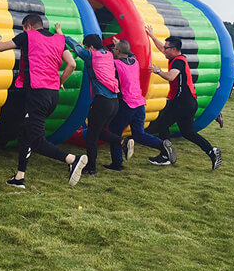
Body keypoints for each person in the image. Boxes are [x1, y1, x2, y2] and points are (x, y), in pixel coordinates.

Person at [0, 14, 87, 188]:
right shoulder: (59, 39)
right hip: (52, 96)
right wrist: (59, 83)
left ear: (28, 26)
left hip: (37, 94)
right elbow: (71, 64)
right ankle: (19, 177)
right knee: (26, 133)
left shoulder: (27, 36)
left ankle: (72, 159)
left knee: (36, 140)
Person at [55, 27, 134, 175]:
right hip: (114, 102)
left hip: (102, 102)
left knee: (91, 135)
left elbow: (75, 46)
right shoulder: (109, 55)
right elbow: (81, 49)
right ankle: (122, 142)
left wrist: (60, 34)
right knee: (100, 132)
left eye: (87, 47)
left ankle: (91, 167)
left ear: (90, 47)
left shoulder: (92, 56)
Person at [146, 26, 222, 169]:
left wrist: (158, 71)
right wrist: (152, 36)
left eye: (167, 48)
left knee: (162, 124)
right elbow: (162, 48)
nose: (164, 50)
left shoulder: (178, 61)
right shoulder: (177, 57)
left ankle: (165, 156)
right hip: (189, 102)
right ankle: (212, 151)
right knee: (187, 132)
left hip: (182, 102)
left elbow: (171, 76)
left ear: (174, 49)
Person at [107, 37, 176, 169]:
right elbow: (129, 53)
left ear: (119, 52)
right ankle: (162, 145)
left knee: (114, 132)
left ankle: (117, 163)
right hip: (139, 103)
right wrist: (119, 45)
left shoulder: (117, 65)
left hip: (127, 104)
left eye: (114, 49)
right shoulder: (134, 61)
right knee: (138, 134)